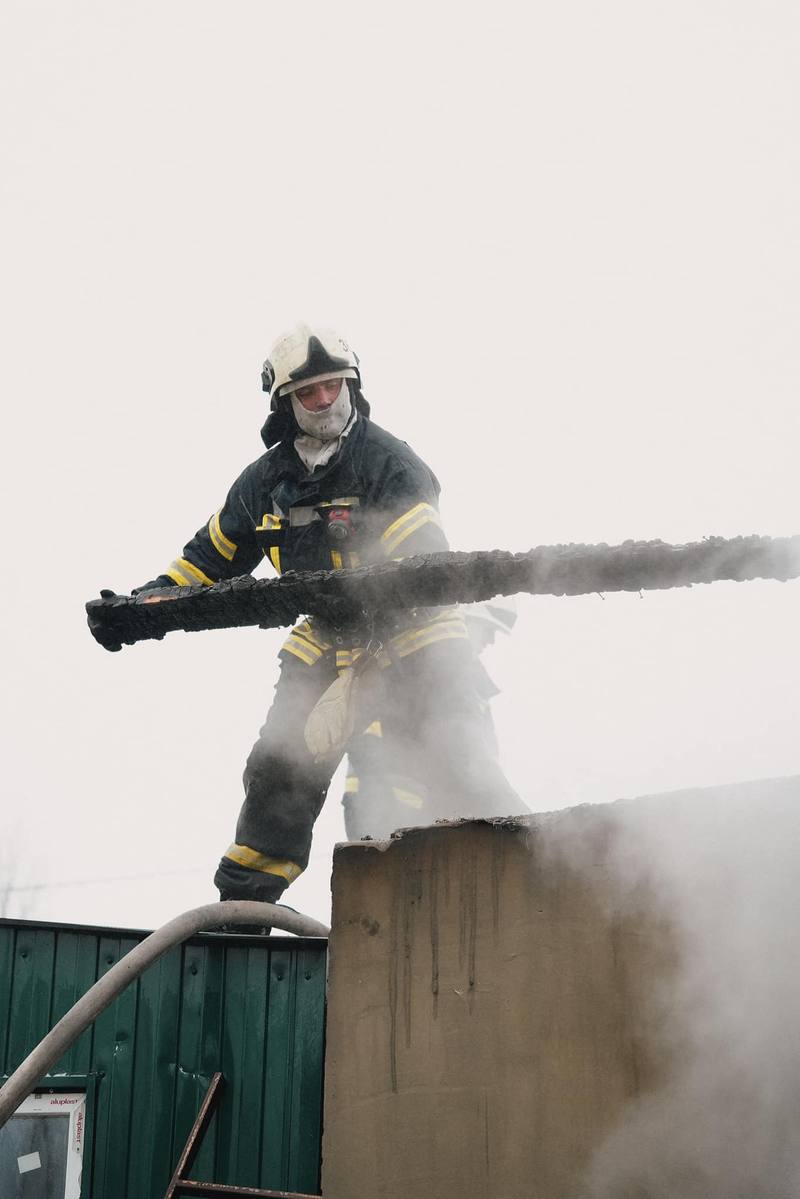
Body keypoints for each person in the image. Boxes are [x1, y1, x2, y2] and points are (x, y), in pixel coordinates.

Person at [132, 323, 524, 907]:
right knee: (279, 770)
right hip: (327, 639)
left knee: (457, 760)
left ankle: (532, 876)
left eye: (333, 386)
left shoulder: (390, 462)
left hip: (415, 636)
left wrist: (378, 629)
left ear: (351, 385)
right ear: (285, 403)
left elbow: (425, 563)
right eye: (308, 392)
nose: (323, 400)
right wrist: (150, 603)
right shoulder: (264, 484)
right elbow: (210, 556)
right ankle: (244, 911)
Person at [342, 598, 518, 840]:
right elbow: (465, 757)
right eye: (489, 629)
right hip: (389, 805)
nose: (491, 641)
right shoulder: (430, 677)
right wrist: (522, 821)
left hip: (408, 809)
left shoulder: (463, 684)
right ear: (466, 618)